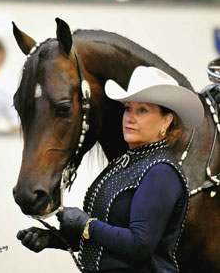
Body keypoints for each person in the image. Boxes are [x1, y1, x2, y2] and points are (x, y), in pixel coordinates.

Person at [17, 66, 204, 272]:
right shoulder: (125, 161)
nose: (130, 117)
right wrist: (53, 239)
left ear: (166, 120)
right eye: (127, 108)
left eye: (142, 110)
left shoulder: (161, 171)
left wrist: (85, 224)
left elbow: (139, 244)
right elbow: (107, 239)